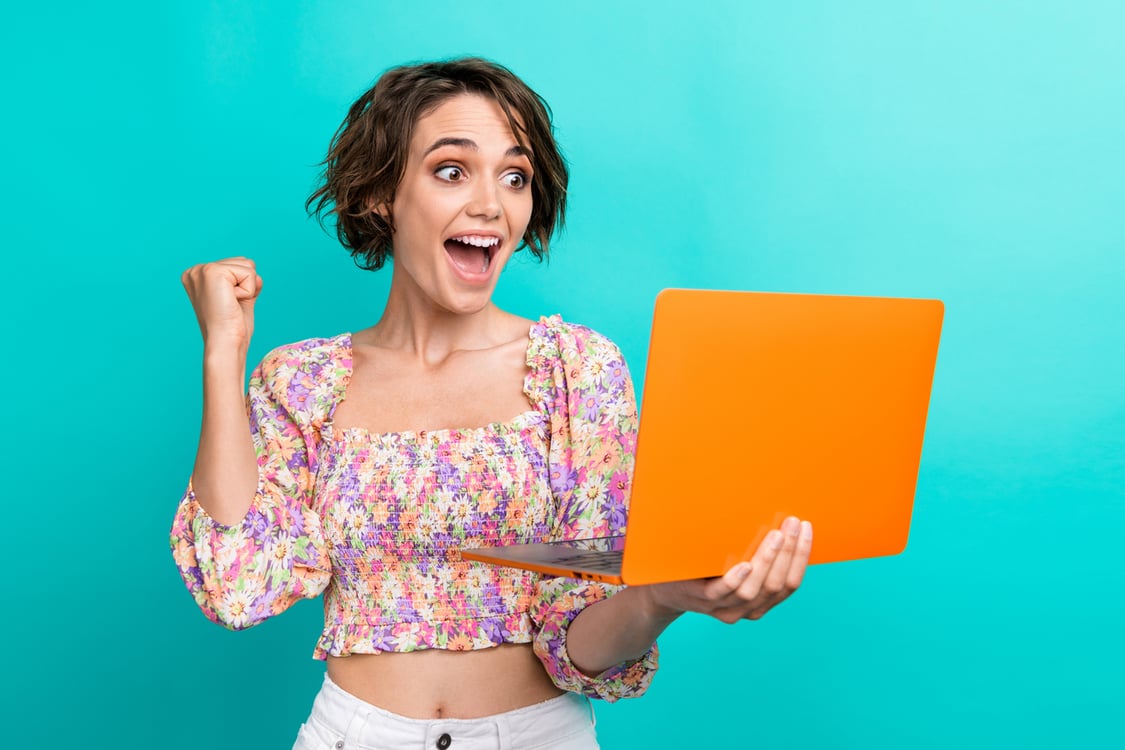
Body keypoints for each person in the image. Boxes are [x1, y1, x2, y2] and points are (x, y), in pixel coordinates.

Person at [170, 57, 814, 750]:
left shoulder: (576, 371)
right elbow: (238, 587)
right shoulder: (303, 380)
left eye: (515, 177)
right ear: (382, 193)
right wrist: (223, 351)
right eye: (451, 170)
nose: (490, 205)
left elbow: (583, 646)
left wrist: (660, 596)